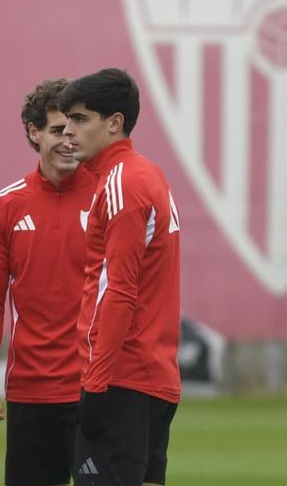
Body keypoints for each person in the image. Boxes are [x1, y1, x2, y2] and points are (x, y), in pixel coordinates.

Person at [59, 68, 181, 486]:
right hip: (154, 377)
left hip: (121, 379)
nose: (67, 131)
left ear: (114, 123)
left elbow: (118, 291)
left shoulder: (121, 183)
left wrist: (95, 386)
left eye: (79, 119)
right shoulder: (149, 175)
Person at [0, 78, 97, 486]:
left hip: (95, 388)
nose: (68, 140)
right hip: (30, 390)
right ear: (34, 132)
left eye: (74, 129)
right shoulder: (7, 205)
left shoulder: (107, 196)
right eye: (58, 130)